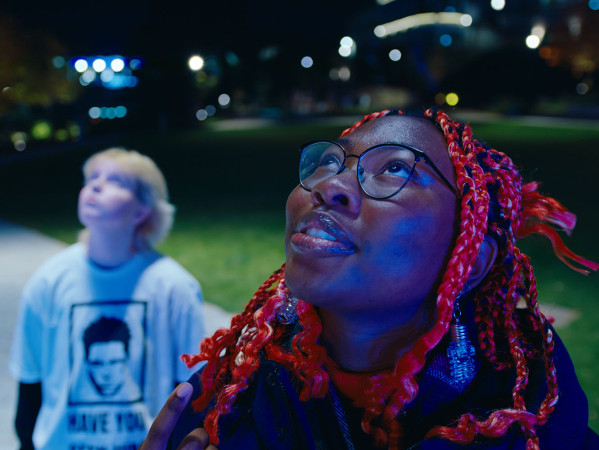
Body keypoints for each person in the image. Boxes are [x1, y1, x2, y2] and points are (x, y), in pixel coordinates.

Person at [142, 108, 599, 450]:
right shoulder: (226, 396)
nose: (328, 185)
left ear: (471, 260)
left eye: (396, 168)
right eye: (329, 163)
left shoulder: (537, 420)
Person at [9, 148, 206, 449]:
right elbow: (30, 381)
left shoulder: (174, 287)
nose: (95, 186)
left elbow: (193, 389)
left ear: (142, 211)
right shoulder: (48, 281)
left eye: (115, 181)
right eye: (92, 178)